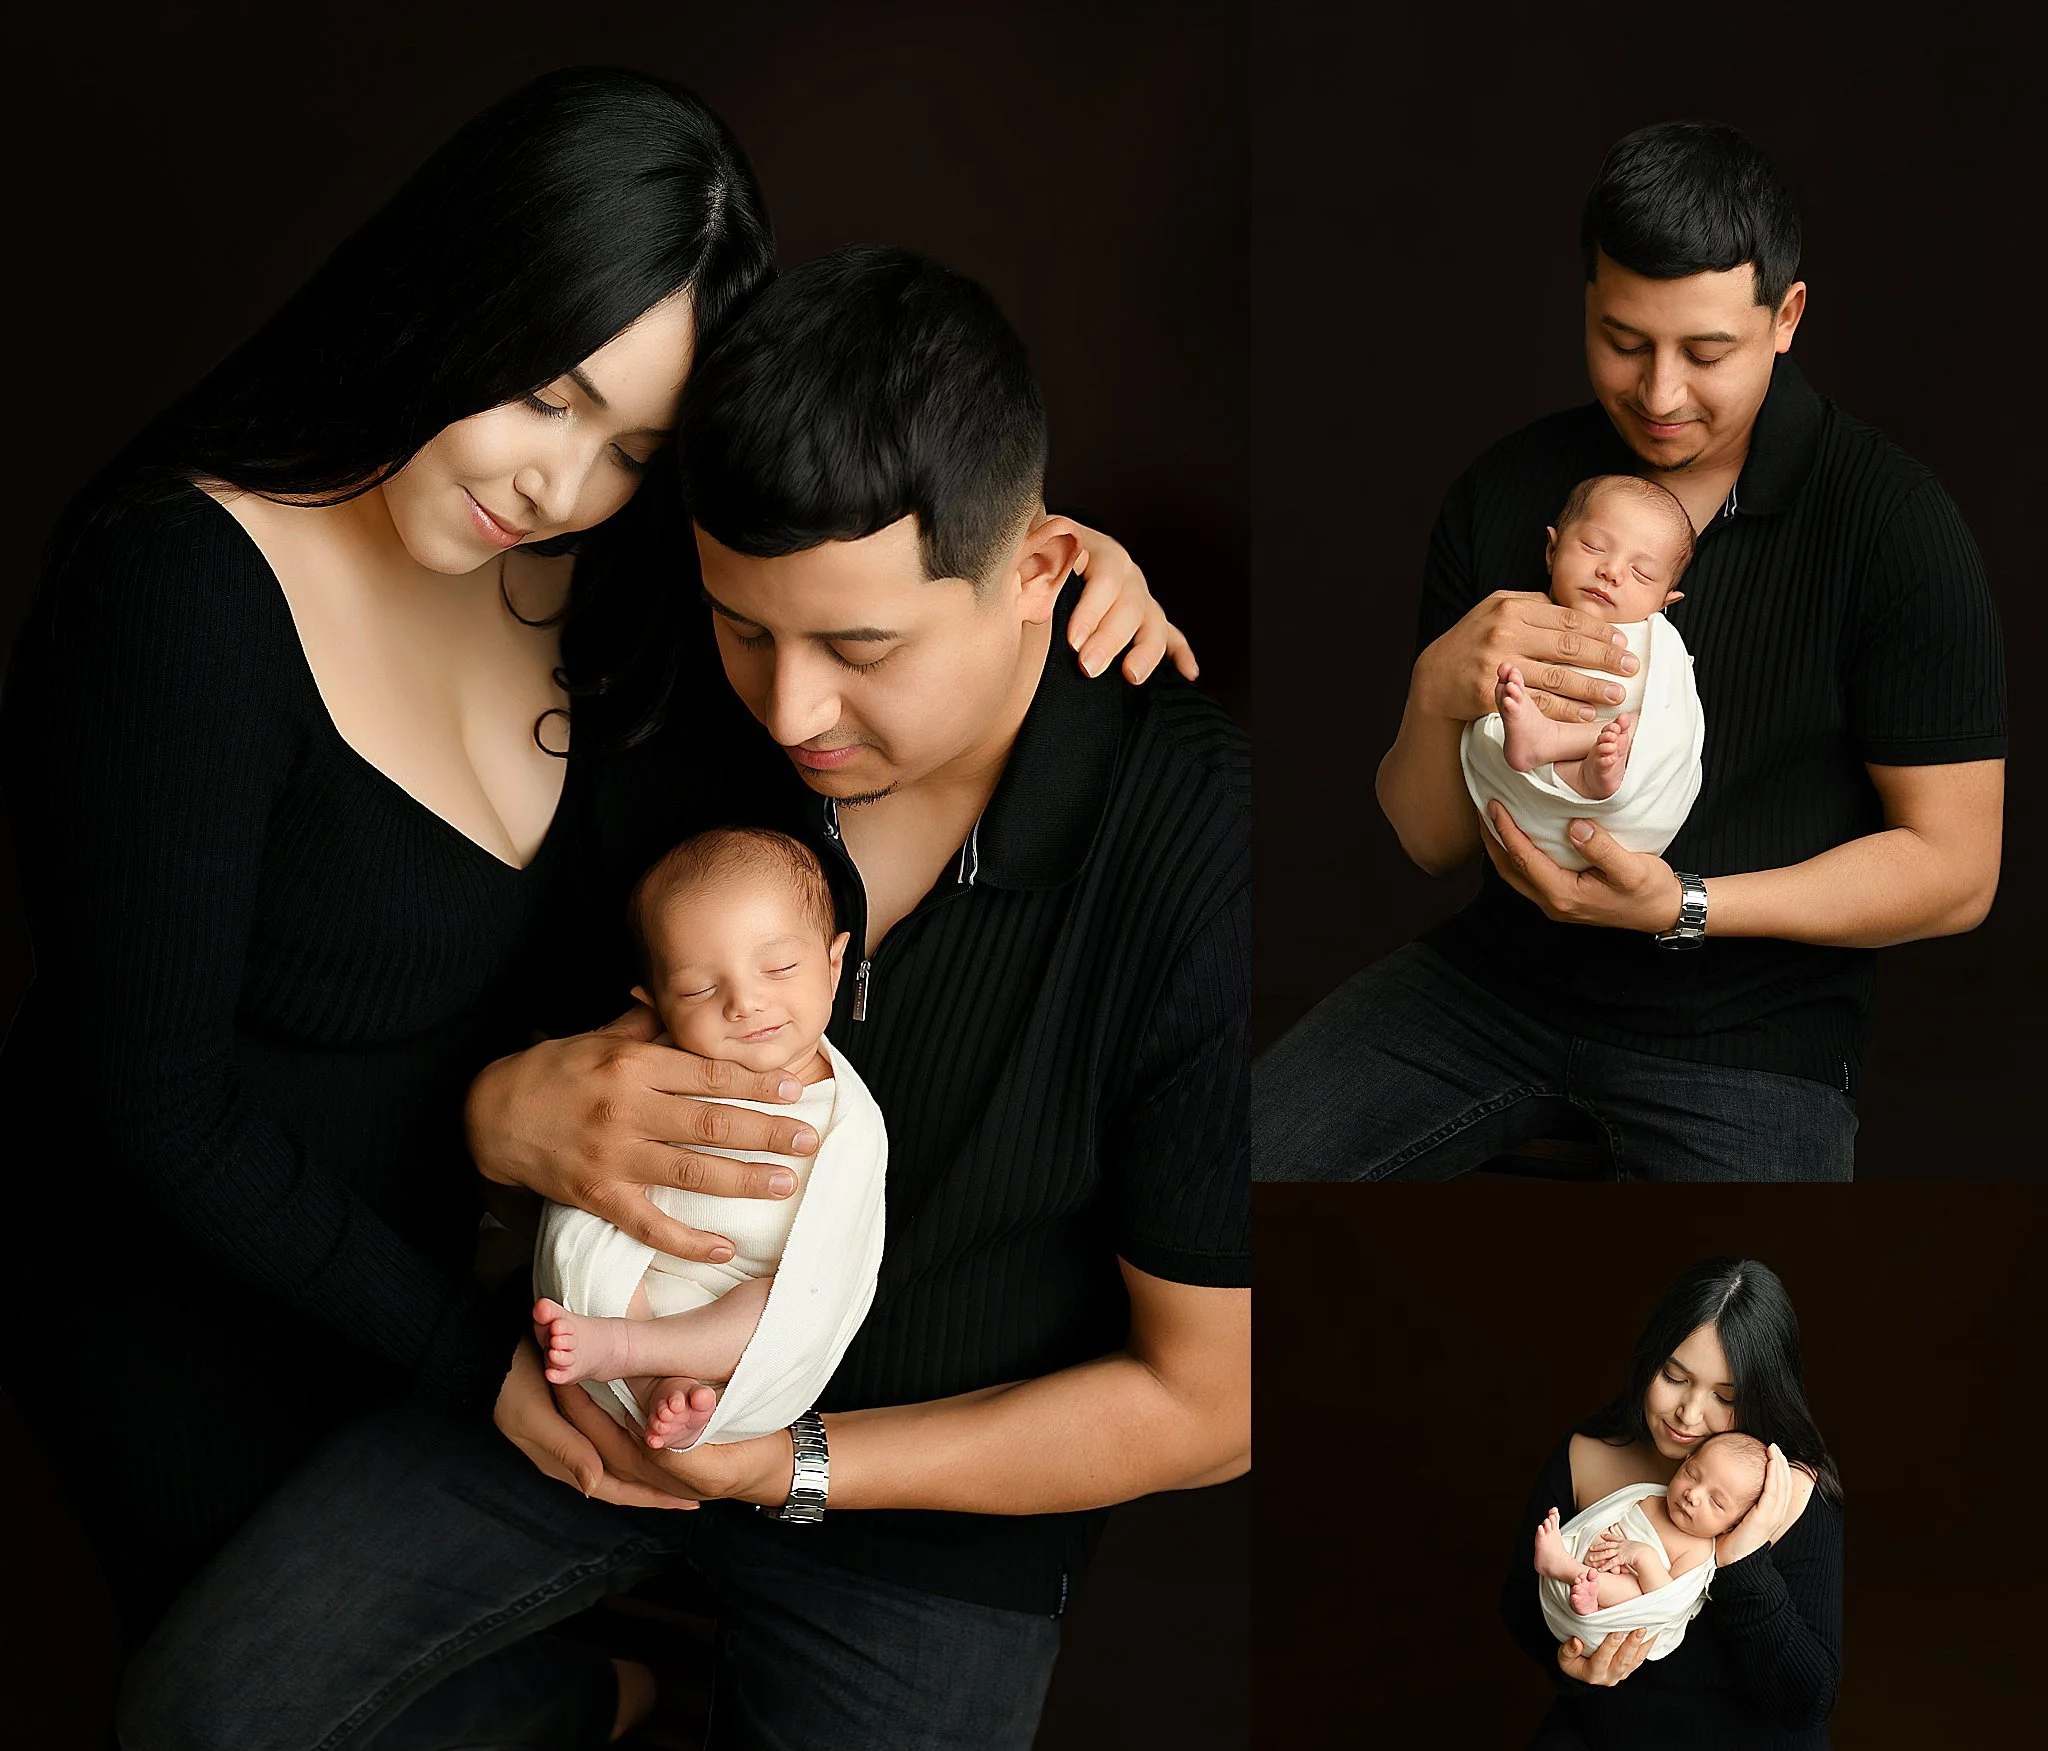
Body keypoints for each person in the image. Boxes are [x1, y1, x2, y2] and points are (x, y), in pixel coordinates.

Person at [0, 63, 1181, 1694]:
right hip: (191, 1297)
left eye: (632, 444)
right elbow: (153, 1107)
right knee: (287, 1712)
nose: (556, 485)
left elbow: (853, 550)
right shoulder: (177, 595)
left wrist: (1040, 562)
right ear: (452, 292)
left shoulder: (605, 567)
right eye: (545, 396)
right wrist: (475, 1352)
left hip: (503, 1285)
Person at [1254, 120, 2005, 1181]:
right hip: (1492, 987)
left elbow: (1957, 871)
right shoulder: (1511, 490)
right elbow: (1432, 845)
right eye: (1622, 340)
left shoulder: (1891, 523)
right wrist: (1431, 694)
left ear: (1786, 318)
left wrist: (1685, 905)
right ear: (1586, 305)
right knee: (1237, 1175)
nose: (1658, 395)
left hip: (1748, 1036)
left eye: (1706, 353)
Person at [531, 825, 884, 1455]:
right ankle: (651, 1378)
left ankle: (653, 1366)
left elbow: (840, 1260)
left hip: (740, 1303)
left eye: (779, 968)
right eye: (698, 989)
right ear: (655, 1002)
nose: (744, 1003)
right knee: (588, 1240)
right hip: (638, 1272)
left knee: (786, 1306)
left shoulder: (849, 1116)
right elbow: (591, 1161)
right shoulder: (646, 1073)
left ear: (835, 966)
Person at [1501, 1258, 1843, 1750]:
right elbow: (1520, 1602)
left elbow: (1806, 1702)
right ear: (1649, 1358)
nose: (1689, 1413)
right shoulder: (1587, 1455)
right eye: (1674, 1376)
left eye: (1725, 1397)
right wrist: (1572, 1665)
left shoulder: (1789, 1491)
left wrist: (1742, 1563)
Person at [1466, 474, 1700, 867]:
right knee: (1496, 712)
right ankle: (1566, 763)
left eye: (1641, 573)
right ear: (1551, 550)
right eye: (1593, 547)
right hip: (1522, 803)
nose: (1611, 571)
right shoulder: (1516, 621)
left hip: (1627, 813)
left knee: (1656, 725)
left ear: (1665, 601)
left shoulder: (1658, 644)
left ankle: (1571, 758)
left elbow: (1678, 722)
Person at [1531, 1430, 1766, 1620]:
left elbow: (1667, 1602)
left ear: (1731, 1526)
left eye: (1716, 1502)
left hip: (1625, 1608)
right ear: (1685, 1461)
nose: (1693, 1495)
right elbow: (1607, 1518)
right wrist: (1598, 1541)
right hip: (1589, 1572)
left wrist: (1643, 1558)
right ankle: (1587, 1592)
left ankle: (1562, 1567)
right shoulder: (1651, 1497)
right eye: (1692, 1475)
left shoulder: (1699, 1551)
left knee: (1633, 1591)